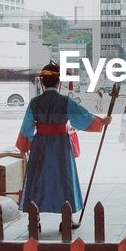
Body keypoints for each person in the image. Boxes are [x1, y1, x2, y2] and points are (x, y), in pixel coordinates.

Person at [15, 61, 107, 224]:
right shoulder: (65, 101)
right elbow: (83, 118)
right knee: (65, 178)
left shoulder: (34, 103)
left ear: (42, 82)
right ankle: (67, 219)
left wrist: (23, 148)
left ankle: (34, 220)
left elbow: (27, 126)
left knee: (37, 178)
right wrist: (102, 122)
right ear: (59, 83)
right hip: (60, 145)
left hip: (40, 144)